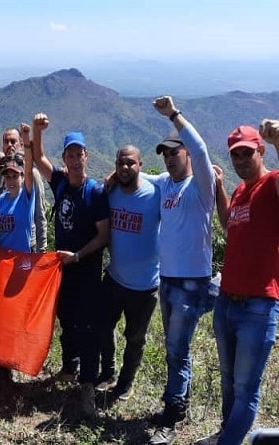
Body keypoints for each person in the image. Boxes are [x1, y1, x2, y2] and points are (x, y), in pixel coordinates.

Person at [197, 122, 279, 445]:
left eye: (247, 153)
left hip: (258, 307)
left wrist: (278, 142)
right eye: (235, 155)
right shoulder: (242, 192)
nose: (241, 160)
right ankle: (225, 435)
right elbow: (230, 223)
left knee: (245, 389)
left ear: (260, 150)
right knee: (229, 382)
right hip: (227, 303)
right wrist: (219, 187)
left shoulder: (271, 184)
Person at [144, 96, 216, 445]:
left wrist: (173, 115)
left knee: (176, 348)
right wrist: (118, 173)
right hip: (167, 280)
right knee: (175, 346)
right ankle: (176, 401)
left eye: (176, 151)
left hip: (190, 282)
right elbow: (140, 176)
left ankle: (173, 412)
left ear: (186, 154)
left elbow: (201, 150)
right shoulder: (165, 185)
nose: (170, 157)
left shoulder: (201, 186)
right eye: (166, 153)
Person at [30, 113, 110, 418]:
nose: (76, 159)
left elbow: (104, 237)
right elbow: (37, 157)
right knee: (67, 322)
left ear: (86, 155)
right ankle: (68, 368)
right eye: (70, 154)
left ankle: (87, 388)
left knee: (89, 329)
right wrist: (37, 130)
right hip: (62, 272)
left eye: (80, 153)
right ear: (64, 158)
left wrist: (78, 255)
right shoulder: (61, 182)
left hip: (86, 272)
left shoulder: (97, 193)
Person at [96, 145, 161, 401]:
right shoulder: (110, 194)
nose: (125, 168)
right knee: (103, 327)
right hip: (114, 277)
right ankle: (108, 373)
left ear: (141, 165)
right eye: (121, 163)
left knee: (135, 338)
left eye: (131, 163)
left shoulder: (154, 192)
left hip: (145, 286)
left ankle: (125, 383)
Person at [0, 120, 48, 252]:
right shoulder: (1, 167)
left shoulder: (32, 174)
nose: (9, 145)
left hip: (27, 246)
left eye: (13, 141)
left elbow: (40, 214)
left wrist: (42, 249)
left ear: (21, 144)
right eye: (6, 141)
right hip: (3, 248)